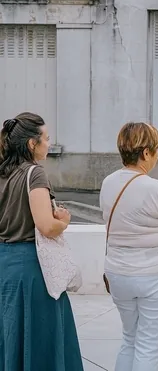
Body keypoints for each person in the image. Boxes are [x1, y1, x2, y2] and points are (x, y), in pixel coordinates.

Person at [100, 122, 158, 371]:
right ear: (146, 153)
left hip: (119, 272)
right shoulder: (156, 188)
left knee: (129, 338)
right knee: (149, 345)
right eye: (156, 150)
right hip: (157, 275)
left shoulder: (108, 183)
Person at [0, 112, 84, 371]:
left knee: (11, 338)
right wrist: (64, 221)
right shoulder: (34, 174)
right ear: (31, 144)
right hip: (33, 270)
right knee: (42, 343)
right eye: (46, 138)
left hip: (5, 267)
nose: (49, 143)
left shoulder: (4, 173)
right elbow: (46, 226)